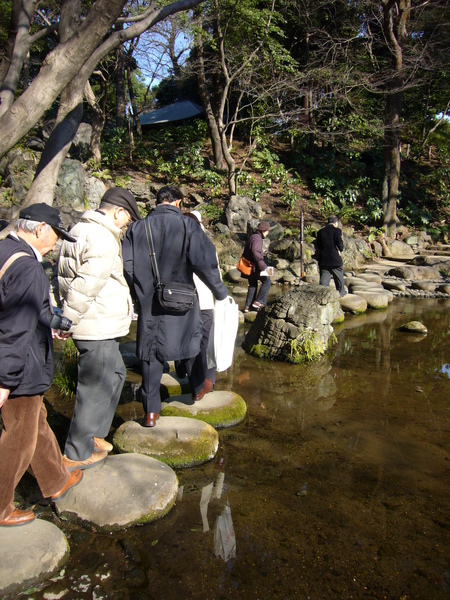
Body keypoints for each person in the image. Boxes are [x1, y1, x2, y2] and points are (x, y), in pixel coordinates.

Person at [0, 203, 83, 527]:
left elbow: (25, 308)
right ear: (40, 229)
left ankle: (55, 479)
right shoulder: (29, 269)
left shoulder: (5, 250)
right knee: (19, 437)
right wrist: (5, 381)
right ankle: (2, 507)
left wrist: (53, 321)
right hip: (19, 365)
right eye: (56, 235)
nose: (56, 243)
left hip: (14, 358)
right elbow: (17, 328)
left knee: (36, 422)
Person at [123, 186, 228, 427]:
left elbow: (127, 266)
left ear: (158, 202)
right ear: (178, 203)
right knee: (190, 342)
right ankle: (198, 389)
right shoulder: (188, 226)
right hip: (182, 296)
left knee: (150, 352)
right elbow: (205, 261)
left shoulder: (137, 228)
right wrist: (219, 291)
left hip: (149, 300)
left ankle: (151, 413)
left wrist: (139, 291)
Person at [58, 188, 141, 470]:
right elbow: (87, 283)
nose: (125, 224)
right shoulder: (102, 237)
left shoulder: (79, 228)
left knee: (117, 372)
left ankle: (94, 435)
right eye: (127, 219)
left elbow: (68, 276)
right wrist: (68, 319)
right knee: (93, 389)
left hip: (97, 322)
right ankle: (76, 454)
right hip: (96, 325)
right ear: (118, 212)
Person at [176, 210, 218, 397]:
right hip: (205, 299)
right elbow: (214, 274)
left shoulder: (175, 243)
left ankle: (183, 371)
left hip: (183, 300)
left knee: (184, 337)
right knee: (205, 340)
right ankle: (207, 379)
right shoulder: (207, 245)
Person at [243, 221, 272, 313]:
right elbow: (255, 252)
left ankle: (248, 306)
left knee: (253, 285)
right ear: (264, 230)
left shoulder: (252, 237)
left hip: (249, 266)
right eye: (268, 231)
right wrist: (263, 266)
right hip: (254, 267)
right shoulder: (257, 238)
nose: (268, 233)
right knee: (267, 281)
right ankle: (259, 302)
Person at [316, 215, 346, 297]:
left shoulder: (320, 232)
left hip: (323, 258)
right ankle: (341, 292)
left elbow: (318, 245)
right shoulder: (337, 231)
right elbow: (339, 244)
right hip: (334, 258)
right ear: (336, 223)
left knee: (324, 277)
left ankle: (322, 294)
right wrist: (341, 249)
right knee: (339, 275)